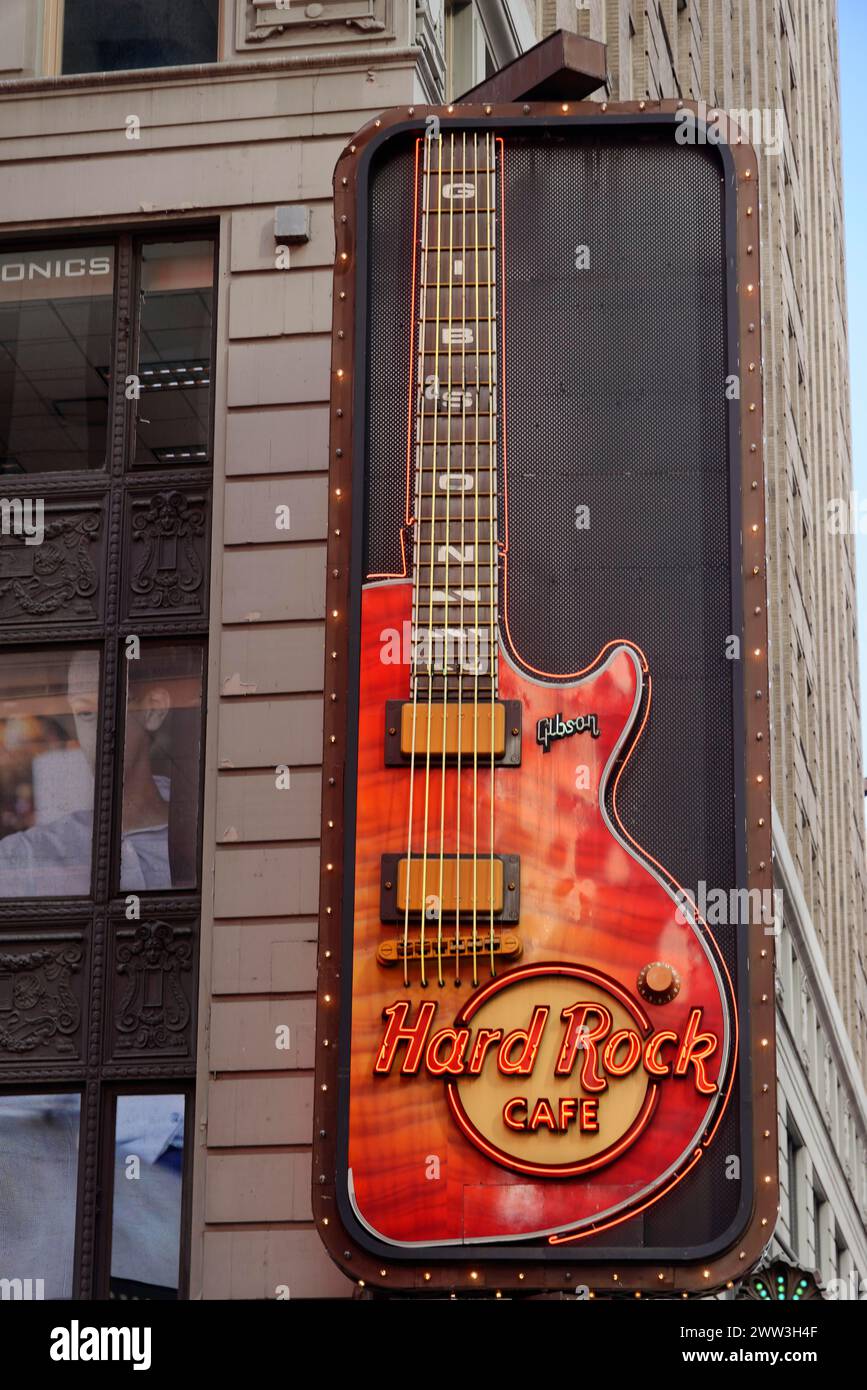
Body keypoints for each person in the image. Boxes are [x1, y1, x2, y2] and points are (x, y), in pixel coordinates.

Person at [0, 648, 175, 897]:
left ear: (153, 710)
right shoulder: (25, 857)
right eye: (84, 713)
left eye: (106, 707)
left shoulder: (197, 834)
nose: (96, 734)